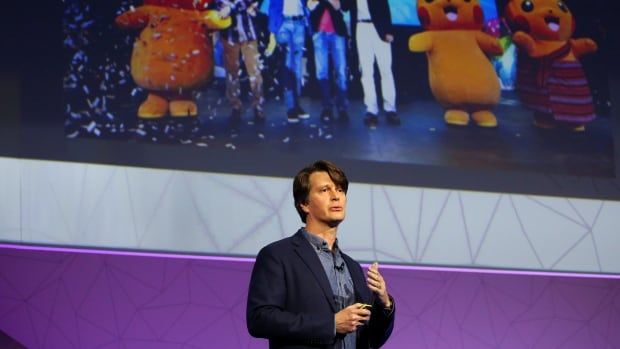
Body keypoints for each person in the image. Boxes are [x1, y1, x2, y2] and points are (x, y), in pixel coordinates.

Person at [247, 160, 395, 348]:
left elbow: (370, 340)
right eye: (325, 190)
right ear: (304, 204)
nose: (336, 196)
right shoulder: (278, 255)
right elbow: (260, 319)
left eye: (340, 190)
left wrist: (384, 303)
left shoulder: (353, 267)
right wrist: (331, 324)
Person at [342, 0, 399, 127]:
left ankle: (390, 109)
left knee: (386, 70)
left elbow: (384, 6)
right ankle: (371, 110)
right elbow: (344, 6)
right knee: (366, 72)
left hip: (379, 28)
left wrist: (389, 30)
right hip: (361, 27)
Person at [217, 0, 265, 123]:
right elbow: (219, 6)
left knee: (254, 71)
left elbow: (250, 3)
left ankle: (258, 105)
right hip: (229, 36)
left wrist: (231, 7)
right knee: (232, 72)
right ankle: (235, 106)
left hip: (248, 34)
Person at [267, 0, 312, 123]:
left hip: (299, 22)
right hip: (284, 23)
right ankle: (290, 107)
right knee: (287, 65)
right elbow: (273, 5)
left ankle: (297, 104)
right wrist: (273, 29)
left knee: (297, 67)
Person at [307, 0, 349, 122]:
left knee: (341, 71)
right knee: (321, 72)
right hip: (319, 32)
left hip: (337, 32)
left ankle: (342, 108)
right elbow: (310, 5)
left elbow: (343, 6)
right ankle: (326, 107)